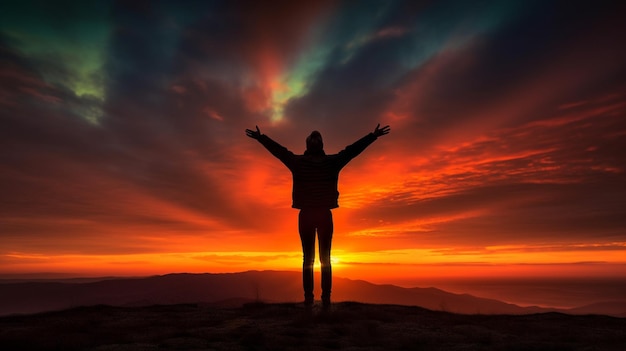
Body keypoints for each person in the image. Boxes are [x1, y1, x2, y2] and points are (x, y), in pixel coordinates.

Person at [245, 124, 390, 308]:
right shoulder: (331, 162)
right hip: (324, 215)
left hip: (306, 215)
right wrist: (372, 135)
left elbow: (280, 152)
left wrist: (261, 138)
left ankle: (308, 299)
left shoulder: (298, 163)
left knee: (308, 259)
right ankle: (326, 299)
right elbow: (352, 151)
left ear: (307, 146)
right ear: (322, 146)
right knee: (325, 258)